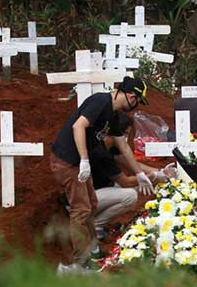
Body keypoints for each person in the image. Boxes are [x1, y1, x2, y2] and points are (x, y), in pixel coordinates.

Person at [50, 76, 154, 274]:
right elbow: (78, 126)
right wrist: (84, 160)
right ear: (132, 96)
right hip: (67, 161)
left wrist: (139, 173)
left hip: (77, 162)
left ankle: (92, 250)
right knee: (81, 209)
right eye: (138, 102)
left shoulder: (112, 114)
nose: (136, 106)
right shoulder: (101, 101)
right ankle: (80, 264)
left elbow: (122, 144)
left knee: (91, 203)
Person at [89, 113, 176, 256]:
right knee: (130, 195)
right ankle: (95, 225)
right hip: (85, 198)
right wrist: (154, 176)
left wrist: (161, 172)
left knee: (135, 188)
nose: (126, 139)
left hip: (100, 191)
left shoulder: (111, 147)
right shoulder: (100, 152)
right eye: (126, 134)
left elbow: (131, 164)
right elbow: (125, 181)